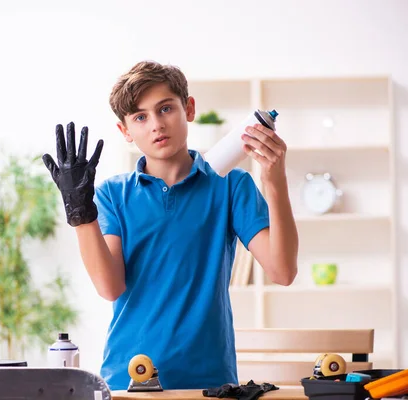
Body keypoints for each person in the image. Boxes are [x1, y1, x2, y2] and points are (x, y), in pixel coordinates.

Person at [42, 60, 299, 390]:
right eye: (140, 116)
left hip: (208, 384)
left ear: (188, 108)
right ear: (125, 131)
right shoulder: (112, 195)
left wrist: (274, 180)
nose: (156, 125)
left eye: (165, 109)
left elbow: (283, 272)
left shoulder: (231, 186)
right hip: (128, 380)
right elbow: (110, 287)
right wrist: (80, 213)